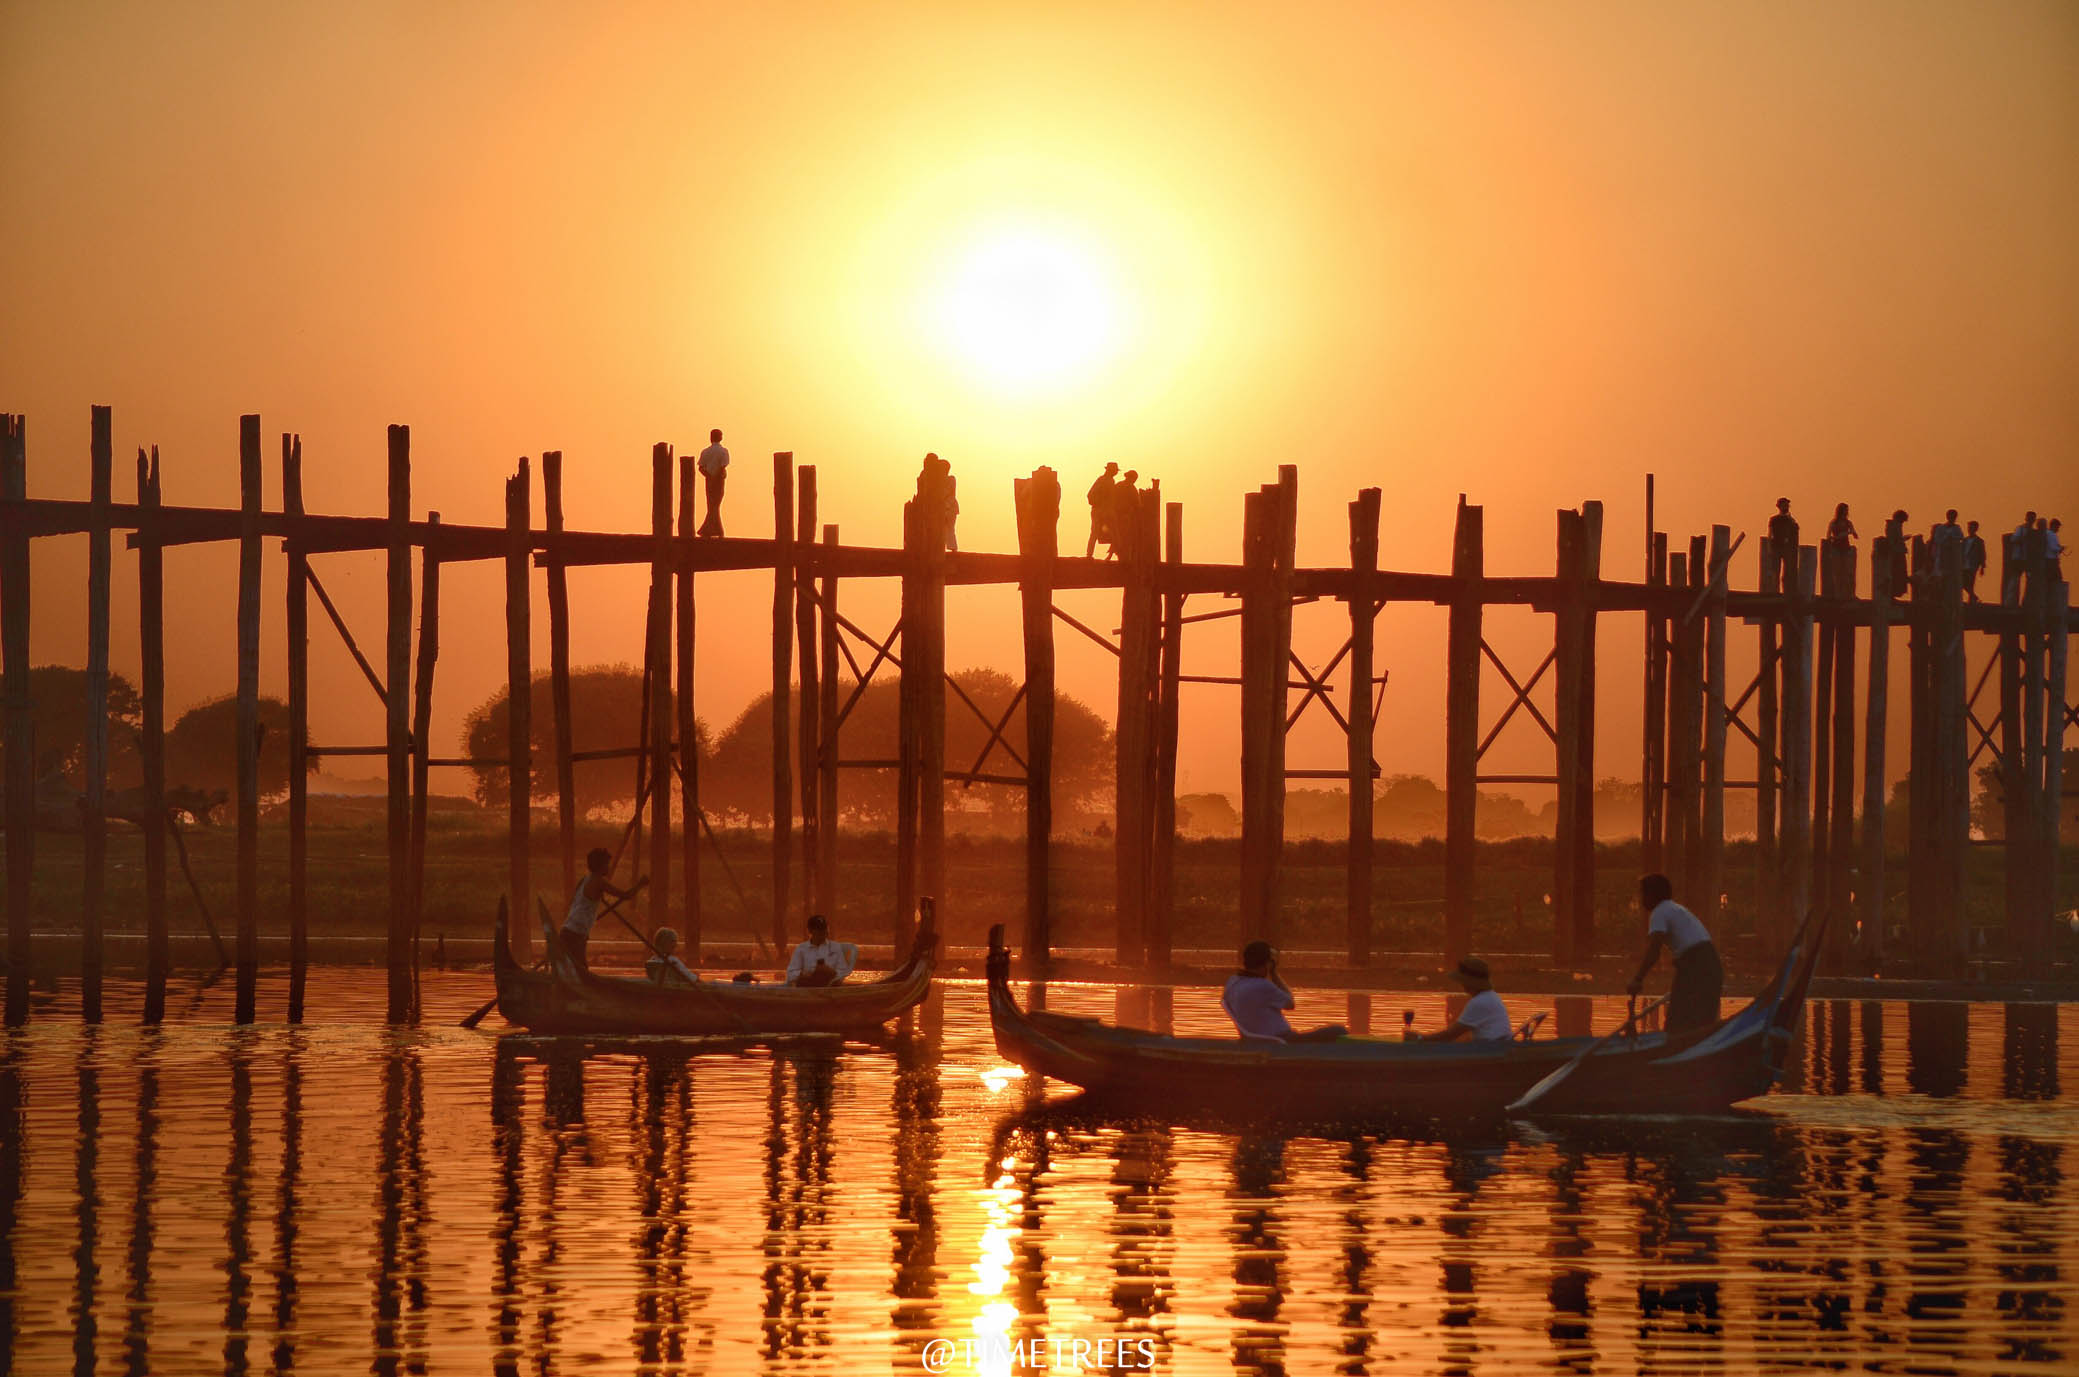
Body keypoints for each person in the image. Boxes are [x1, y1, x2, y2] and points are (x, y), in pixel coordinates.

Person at [1625, 873, 1724, 1036]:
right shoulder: (1676, 908)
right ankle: (1691, 1056)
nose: (1641, 899)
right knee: (1699, 1024)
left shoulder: (1659, 912)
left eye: (1642, 894)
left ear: (1651, 895)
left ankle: (1674, 1055)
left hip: (1696, 966)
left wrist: (1638, 979)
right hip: (1710, 964)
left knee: (1678, 1024)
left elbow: (1653, 950)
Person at [1221, 940, 1347, 1043]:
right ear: (1266, 964)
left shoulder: (1233, 982)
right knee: (1338, 1031)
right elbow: (1290, 1004)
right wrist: (1274, 974)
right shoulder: (1263, 986)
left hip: (1256, 1039)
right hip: (1282, 1040)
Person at [561, 846, 639, 978]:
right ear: (600, 866)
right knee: (582, 972)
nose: (608, 868)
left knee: (574, 970)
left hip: (568, 930)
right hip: (576, 934)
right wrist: (641, 884)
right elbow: (626, 896)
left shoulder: (584, 880)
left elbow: (577, 902)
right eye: (606, 865)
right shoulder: (599, 882)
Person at [1406, 956, 1513, 1042]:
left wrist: (1420, 1038)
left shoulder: (1479, 1002)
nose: (1461, 984)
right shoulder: (1491, 996)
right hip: (1494, 1046)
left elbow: (1451, 1035)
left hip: (1492, 1050)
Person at [785, 914, 857, 987]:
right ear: (810, 931)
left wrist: (831, 972)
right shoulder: (801, 949)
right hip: (807, 986)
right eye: (819, 929)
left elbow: (843, 971)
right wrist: (804, 974)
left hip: (830, 986)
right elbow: (790, 973)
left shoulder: (835, 947)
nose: (823, 932)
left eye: (824, 929)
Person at [696, 429, 729, 537]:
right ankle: (717, 531)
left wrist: (709, 476)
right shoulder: (724, 451)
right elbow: (723, 465)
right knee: (714, 506)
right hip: (719, 481)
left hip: (709, 480)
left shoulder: (705, 451)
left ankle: (710, 530)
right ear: (721, 438)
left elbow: (700, 468)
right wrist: (715, 477)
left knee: (712, 505)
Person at [1085, 462, 1119, 558]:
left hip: (1107, 511)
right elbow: (1090, 495)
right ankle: (1089, 554)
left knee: (1114, 533)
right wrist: (1100, 505)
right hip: (1100, 511)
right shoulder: (1102, 480)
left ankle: (1113, 555)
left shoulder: (1110, 481)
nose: (1115, 473)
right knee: (1096, 532)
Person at [1766, 498, 1798, 579]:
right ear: (1779, 507)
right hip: (1776, 546)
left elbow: (1795, 531)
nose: (1786, 507)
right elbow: (1770, 533)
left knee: (1788, 571)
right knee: (1775, 571)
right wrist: (1769, 547)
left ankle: (1786, 589)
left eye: (1787, 505)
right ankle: (1775, 590)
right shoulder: (1774, 519)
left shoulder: (1790, 520)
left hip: (1787, 548)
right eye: (1785, 505)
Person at [1930, 509, 1963, 579]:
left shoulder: (1957, 528)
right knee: (1940, 575)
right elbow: (1937, 539)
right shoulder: (1941, 528)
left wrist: (1952, 538)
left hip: (1953, 556)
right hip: (1942, 554)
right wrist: (1945, 538)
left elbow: (1961, 537)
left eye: (1954, 516)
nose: (1952, 518)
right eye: (1951, 516)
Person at [1884, 509, 1909, 593]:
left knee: (1899, 575)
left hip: (1897, 552)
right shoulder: (1893, 526)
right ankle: (1892, 593)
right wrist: (1903, 540)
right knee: (1895, 574)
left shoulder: (1894, 526)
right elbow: (1893, 540)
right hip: (1895, 554)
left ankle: (1894, 593)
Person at [1961, 520, 1986, 603]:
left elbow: (1982, 554)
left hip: (1972, 565)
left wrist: (1982, 566)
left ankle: (1971, 600)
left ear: (1976, 529)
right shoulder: (1964, 540)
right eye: (1969, 527)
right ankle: (1973, 597)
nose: (1969, 529)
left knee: (1970, 583)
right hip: (1963, 564)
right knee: (1962, 583)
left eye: (1971, 527)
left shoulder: (1979, 541)